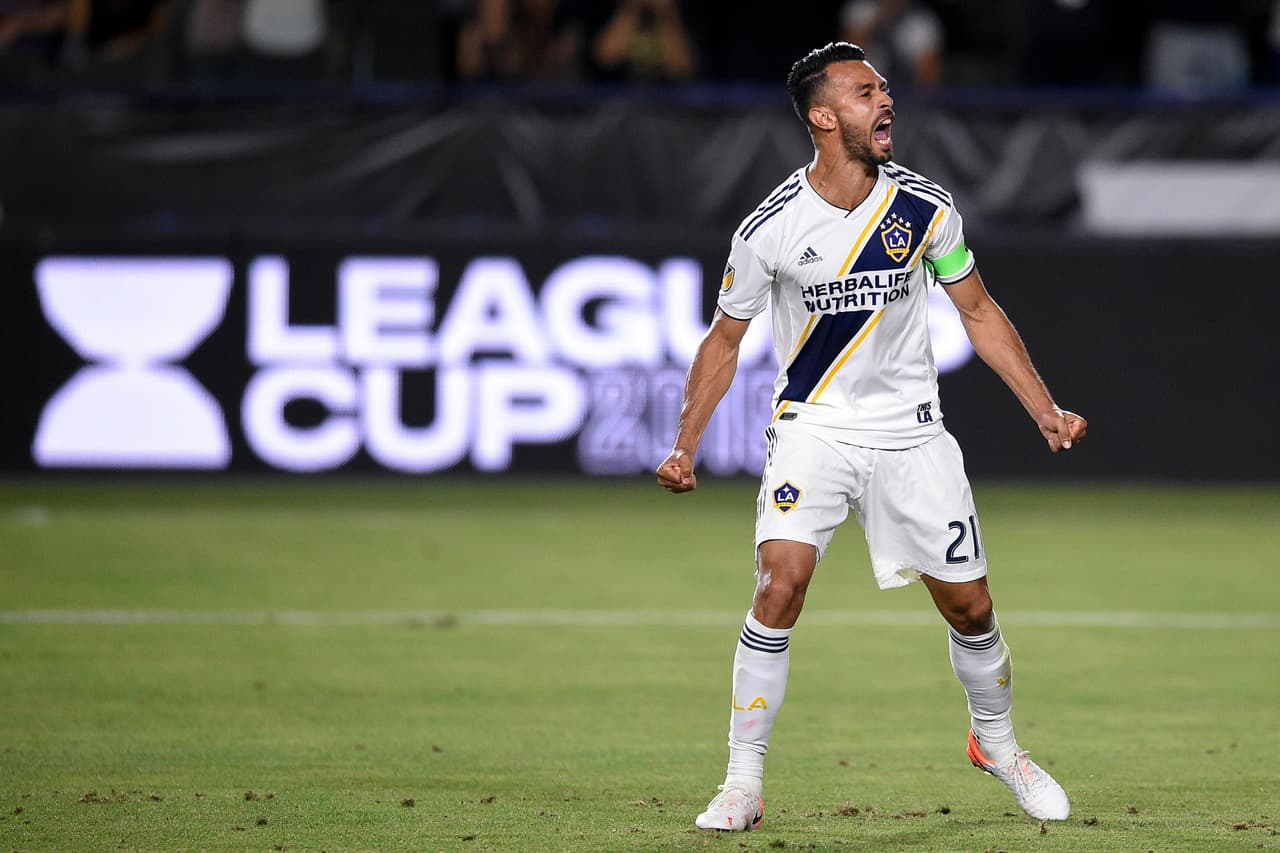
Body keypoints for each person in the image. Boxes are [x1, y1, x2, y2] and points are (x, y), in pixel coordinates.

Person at [655, 41, 1087, 832]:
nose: (885, 100)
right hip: (812, 426)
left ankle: (997, 745)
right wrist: (686, 441)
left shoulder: (926, 207)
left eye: (884, 87)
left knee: (971, 607)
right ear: (823, 117)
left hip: (912, 435)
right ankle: (742, 783)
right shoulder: (769, 227)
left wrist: (1044, 408)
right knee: (778, 580)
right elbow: (724, 340)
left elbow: (979, 312)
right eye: (864, 91)